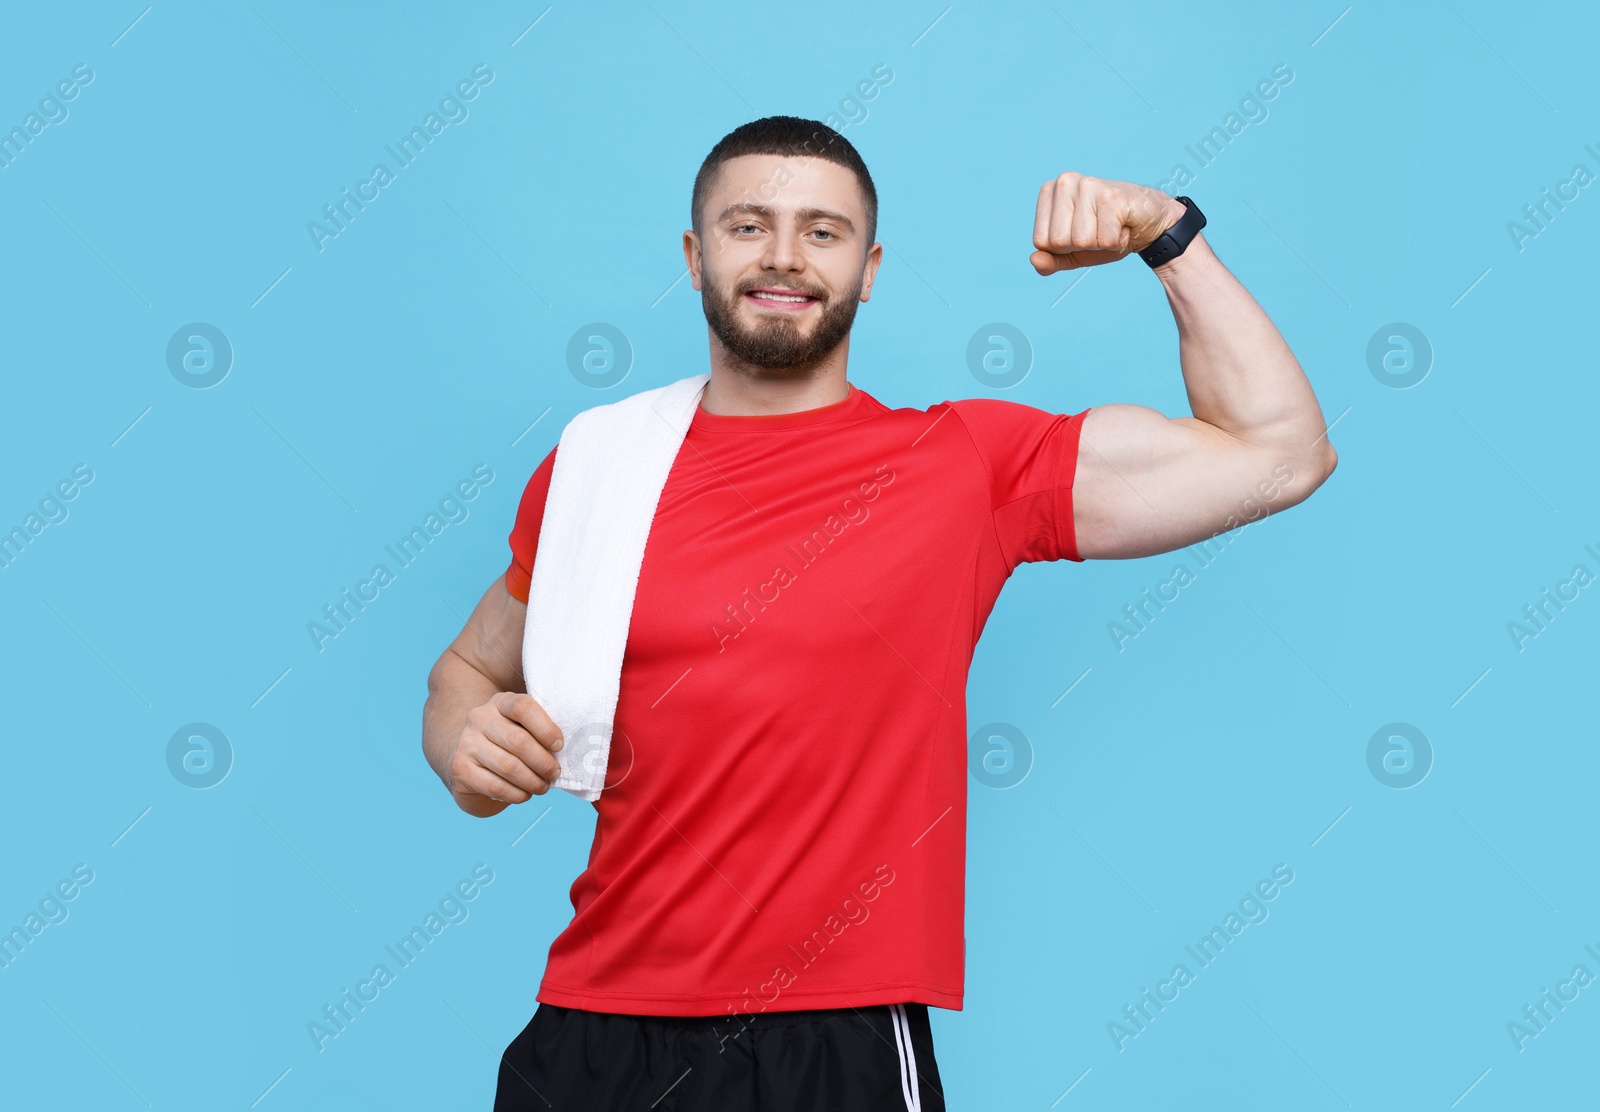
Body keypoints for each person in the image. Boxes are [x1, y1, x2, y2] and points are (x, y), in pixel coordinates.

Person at [421, 115, 1337, 1111]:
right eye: (746, 225)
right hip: (591, 1028)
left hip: (830, 1035)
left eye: (822, 231)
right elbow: (463, 671)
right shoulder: (597, 466)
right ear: (694, 256)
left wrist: (1168, 235)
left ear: (870, 267)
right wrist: (462, 741)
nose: (781, 256)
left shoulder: (963, 468)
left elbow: (1279, 453)